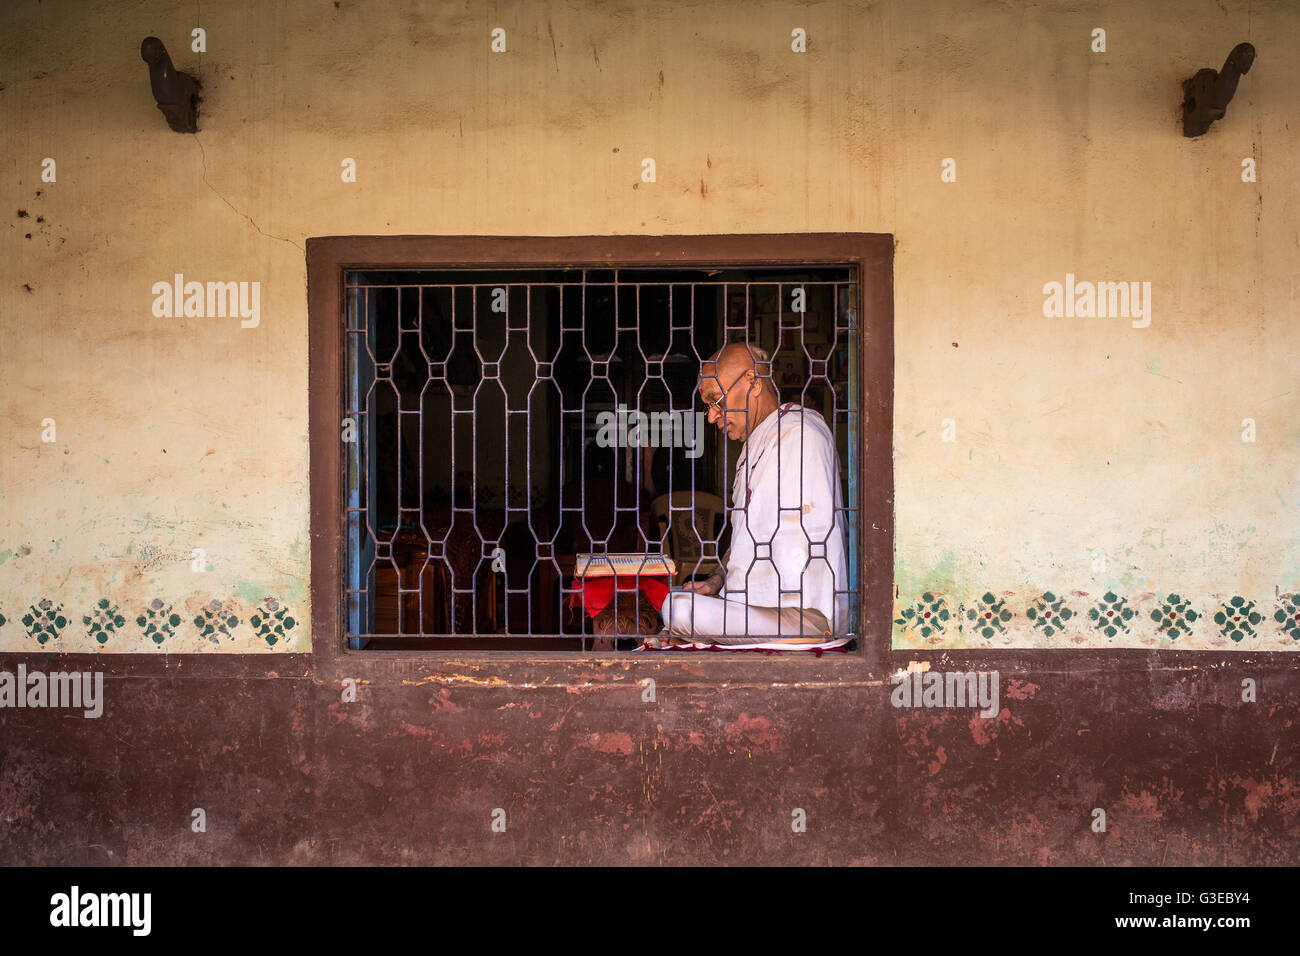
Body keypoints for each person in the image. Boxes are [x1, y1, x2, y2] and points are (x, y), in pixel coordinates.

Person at [655, 343, 850, 644]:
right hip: (761, 611)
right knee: (678, 604)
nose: (711, 416)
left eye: (716, 401)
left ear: (753, 382)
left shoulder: (800, 434)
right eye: (708, 406)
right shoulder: (757, 444)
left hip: (806, 615)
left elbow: (803, 549)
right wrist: (718, 582)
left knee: (680, 612)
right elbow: (750, 538)